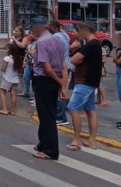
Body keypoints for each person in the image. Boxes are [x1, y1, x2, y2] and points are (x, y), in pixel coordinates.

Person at [31, 22, 68, 160]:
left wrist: (60, 83)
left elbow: (46, 68)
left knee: (47, 116)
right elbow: (64, 65)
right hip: (54, 79)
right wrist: (62, 85)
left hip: (45, 80)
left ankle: (51, 150)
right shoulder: (58, 41)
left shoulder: (41, 43)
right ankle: (43, 143)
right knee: (46, 113)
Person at [66, 23, 103, 151]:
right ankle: (92, 139)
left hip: (84, 81)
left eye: (78, 31)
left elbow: (74, 59)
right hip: (91, 82)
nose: (77, 34)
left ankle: (76, 140)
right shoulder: (96, 44)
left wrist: (77, 58)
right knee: (89, 109)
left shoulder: (90, 44)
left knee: (73, 108)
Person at [48, 20, 71, 126]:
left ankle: (61, 116)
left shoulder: (56, 37)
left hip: (60, 66)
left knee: (60, 91)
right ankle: (61, 113)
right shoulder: (64, 35)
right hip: (66, 64)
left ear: (53, 27)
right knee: (62, 90)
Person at [0, 42, 23, 116]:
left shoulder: (7, 58)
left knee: (2, 92)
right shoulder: (18, 59)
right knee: (13, 93)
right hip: (15, 79)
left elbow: (3, 69)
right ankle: (13, 110)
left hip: (7, 78)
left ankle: (4, 109)